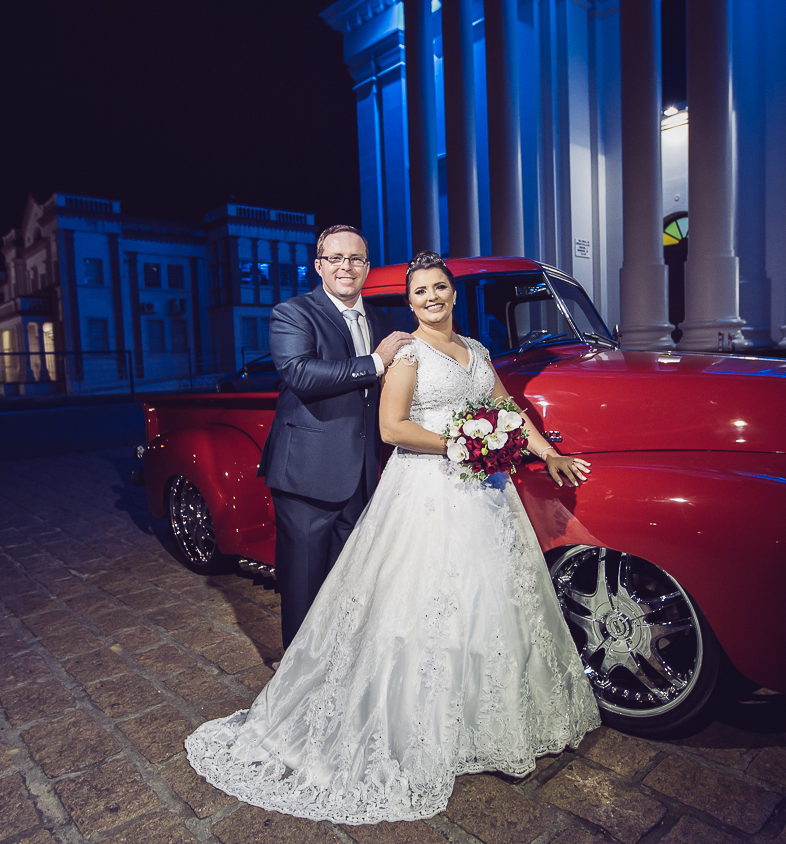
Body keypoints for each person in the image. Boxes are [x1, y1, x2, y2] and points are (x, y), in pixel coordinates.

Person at [186, 251, 600, 823]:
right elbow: (391, 427)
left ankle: (491, 719)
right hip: (429, 488)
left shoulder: (477, 350)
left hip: (485, 494)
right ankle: (419, 721)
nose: (432, 298)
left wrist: (547, 452)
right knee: (424, 602)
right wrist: (463, 444)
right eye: (420, 292)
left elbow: (503, 406)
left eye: (439, 288)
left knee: (490, 598)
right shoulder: (407, 352)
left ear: (453, 293)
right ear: (409, 303)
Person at [257, 224, 414, 650]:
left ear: (367, 266)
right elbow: (300, 374)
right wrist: (375, 362)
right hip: (307, 473)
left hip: (362, 472)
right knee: (304, 582)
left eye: (356, 259)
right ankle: (298, 672)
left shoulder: (383, 321)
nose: (346, 266)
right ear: (319, 265)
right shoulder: (293, 313)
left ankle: (340, 662)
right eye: (336, 258)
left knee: (350, 579)